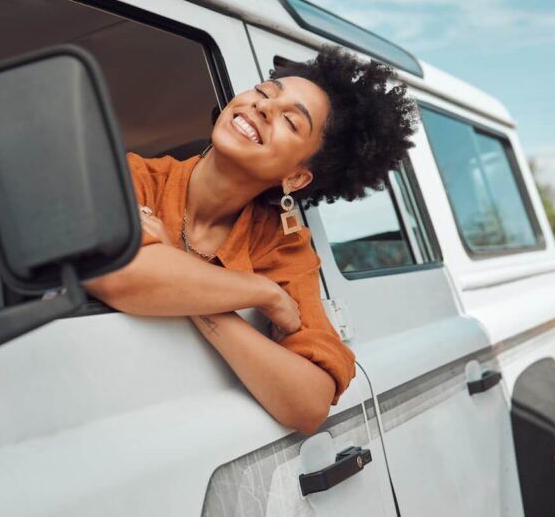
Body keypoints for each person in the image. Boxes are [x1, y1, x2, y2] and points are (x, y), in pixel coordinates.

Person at [84, 45, 417, 434]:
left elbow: (309, 405)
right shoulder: (131, 176)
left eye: (291, 122)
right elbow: (115, 274)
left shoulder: (282, 248)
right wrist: (261, 293)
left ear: (296, 178)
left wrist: (178, 276)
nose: (263, 108)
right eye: (264, 92)